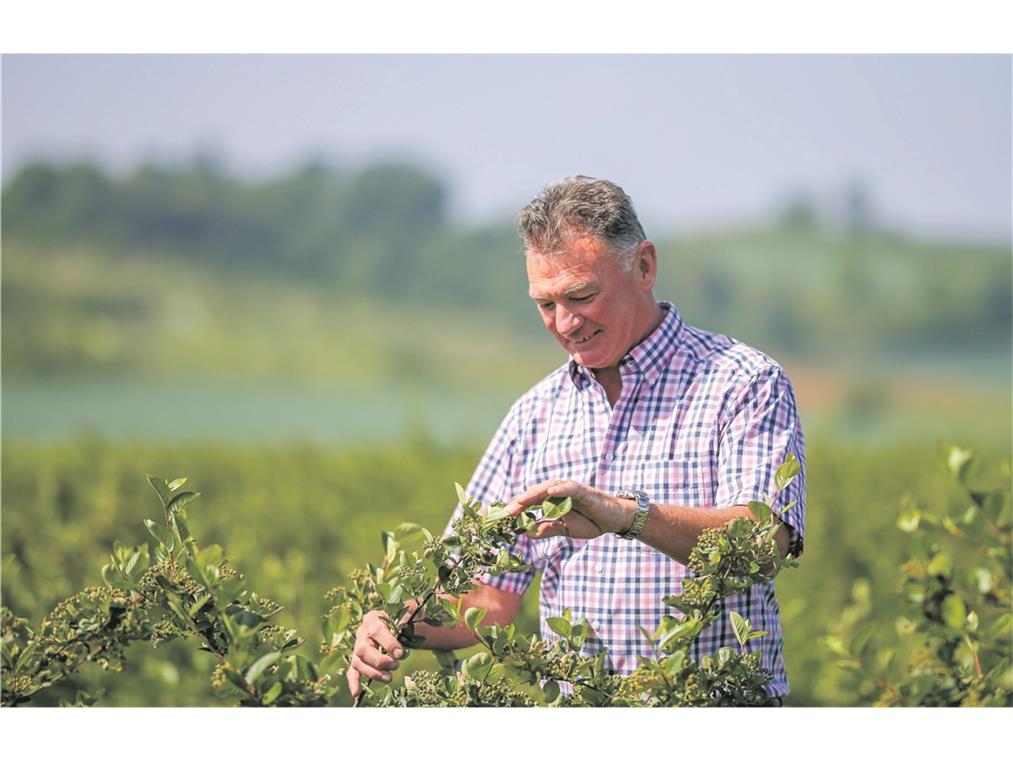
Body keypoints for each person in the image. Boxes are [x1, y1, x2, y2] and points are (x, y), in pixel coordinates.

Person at [346, 175, 806, 701]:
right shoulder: (535, 415)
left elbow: (763, 543)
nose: (565, 323)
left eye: (582, 295)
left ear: (645, 267)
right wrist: (395, 623)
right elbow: (485, 598)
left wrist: (627, 516)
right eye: (545, 304)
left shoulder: (743, 382)